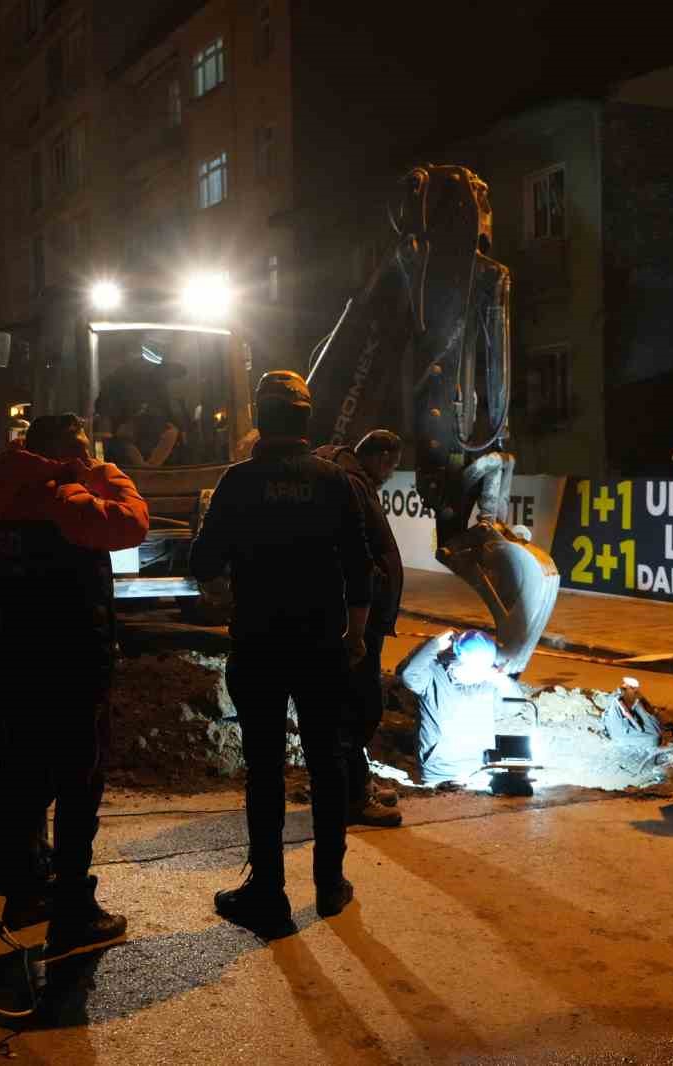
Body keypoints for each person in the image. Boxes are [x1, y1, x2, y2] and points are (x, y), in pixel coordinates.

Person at [190, 369, 372, 936]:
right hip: (320, 645)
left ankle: (268, 893)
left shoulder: (238, 482)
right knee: (327, 761)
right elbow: (360, 565)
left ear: (261, 419)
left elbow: (202, 564)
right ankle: (329, 885)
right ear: (305, 419)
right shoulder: (333, 480)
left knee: (265, 769)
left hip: (260, 644)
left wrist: (223, 593)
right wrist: (358, 634)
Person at [0, 412, 149, 953]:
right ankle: (74, 906)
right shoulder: (66, 501)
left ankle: (23, 888)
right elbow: (133, 521)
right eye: (81, 449)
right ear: (63, 454)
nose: (90, 458)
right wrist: (102, 470)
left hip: (12, 661)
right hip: (70, 663)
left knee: (24, 771)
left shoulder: (5, 497)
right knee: (79, 780)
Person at [314, 429, 405, 828]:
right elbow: (355, 554)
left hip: (361, 614)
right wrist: (361, 619)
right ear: (381, 457)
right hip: (357, 618)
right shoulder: (351, 484)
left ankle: (355, 783)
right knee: (359, 707)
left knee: (356, 704)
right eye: (392, 464)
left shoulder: (353, 480)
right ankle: (351, 798)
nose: (391, 473)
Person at [397, 629, 523, 787]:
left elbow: (514, 705)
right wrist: (434, 645)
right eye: (473, 668)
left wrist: (500, 679)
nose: (477, 673)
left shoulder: (488, 683)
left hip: (480, 770)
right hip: (440, 773)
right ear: (458, 660)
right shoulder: (434, 675)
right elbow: (410, 676)